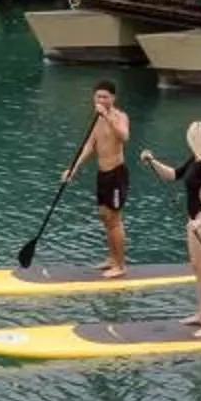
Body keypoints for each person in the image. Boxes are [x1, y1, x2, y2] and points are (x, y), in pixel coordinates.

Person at [141, 121, 201, 335]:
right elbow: (173, 175)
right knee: (197, 268)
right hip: (195, 221)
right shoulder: (194, 160)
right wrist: (153, 162)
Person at [60, 81, 133, 276]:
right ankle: (112, 258)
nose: (101, 100)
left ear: (113, 98)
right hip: (102, 174)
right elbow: (89, 146)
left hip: (116, 173)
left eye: (105, 97)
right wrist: (73, 169)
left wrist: (107, 116)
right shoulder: (96, 119)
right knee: (105, 217)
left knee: (115, 220)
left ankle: (121, 266)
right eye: (98, 96)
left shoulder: (119, 116)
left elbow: (124, 136)